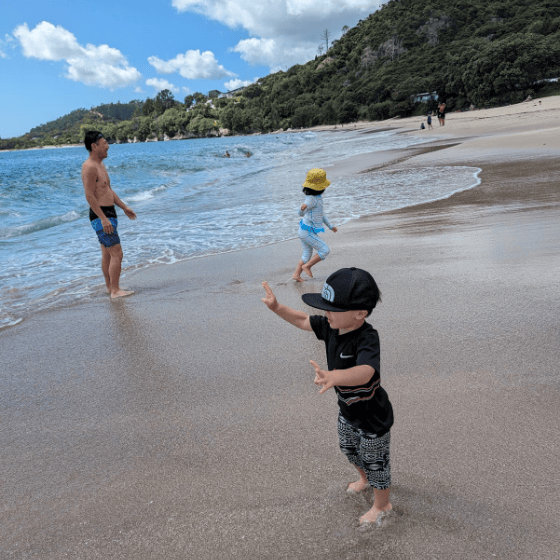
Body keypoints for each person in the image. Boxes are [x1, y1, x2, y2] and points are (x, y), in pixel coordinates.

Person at [261, 268, 394, 526]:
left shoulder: (367, 337)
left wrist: (334, 377)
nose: (325, 313)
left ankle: (382, 504)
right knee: (349, 449)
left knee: (376, 462)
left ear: (360, 313)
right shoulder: (331, 326)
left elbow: (366, 371)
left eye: (331, 308)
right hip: (347, 411)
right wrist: (277, 307)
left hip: (373, 418)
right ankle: (364, 479)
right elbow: (302, 320)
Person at [82, 131, 136, 299]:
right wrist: (103, 219)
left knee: (107, 253)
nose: (108, 146)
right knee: (117, 253)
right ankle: (115, 291)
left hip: (109, 213)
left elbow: (108, 191)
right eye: (104, 143)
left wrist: (123, 207)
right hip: (101, 215)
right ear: (94, 146)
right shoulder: (90, 166)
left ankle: (110, 287)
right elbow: (89, 196)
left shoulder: (100, 165)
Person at [292, 168, 338, 283]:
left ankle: (296, 275)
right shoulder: (311, 200)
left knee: (306, 254)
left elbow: (321, 214)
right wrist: (301, 208)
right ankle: (307, 266)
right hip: (307, 232)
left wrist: (330, 226)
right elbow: (300, 213)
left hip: (304, 230)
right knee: (325, 250)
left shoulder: (317, 198)